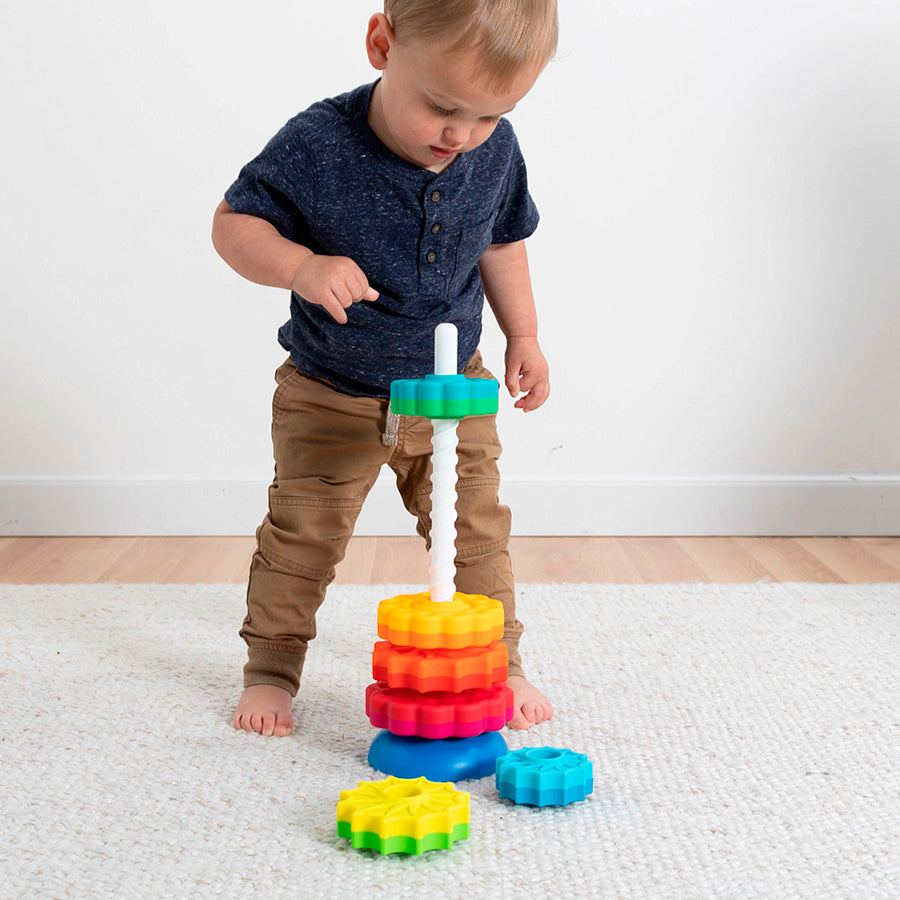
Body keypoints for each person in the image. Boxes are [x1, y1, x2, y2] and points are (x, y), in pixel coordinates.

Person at [212, 0, 557, 737]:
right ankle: (271, 667)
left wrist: (522, 335)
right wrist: (301, 266)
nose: (461, 136)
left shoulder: (493, 152)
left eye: (490, 116)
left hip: (452, 392)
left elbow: (502, 242)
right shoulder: (317, 142)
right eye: (441, 106)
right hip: (331, 392)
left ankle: (499, 658)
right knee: (303, 533)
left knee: (473, 532)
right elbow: (234, 223)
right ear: (381, 44)